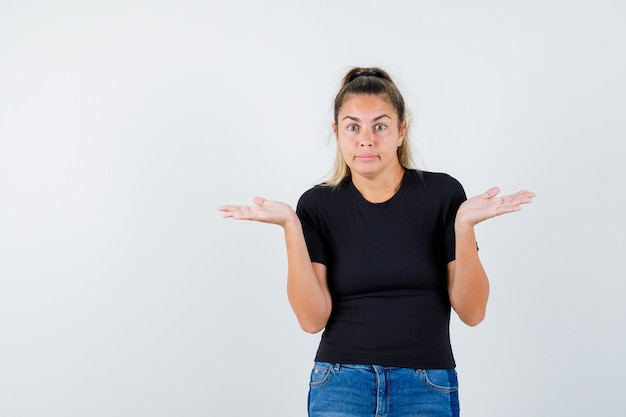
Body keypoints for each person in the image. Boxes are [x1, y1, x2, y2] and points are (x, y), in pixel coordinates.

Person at [218, 67, 535, 417]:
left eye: (380, 126)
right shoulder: (317, 205)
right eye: (353, 127)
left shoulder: (443, 194)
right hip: (340, 385)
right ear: (337, 133)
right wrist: (291, 226)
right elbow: (311, 320)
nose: (366, 139)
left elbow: (472, 312)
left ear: (401, 130)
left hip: (425, 385)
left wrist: (463, 226)